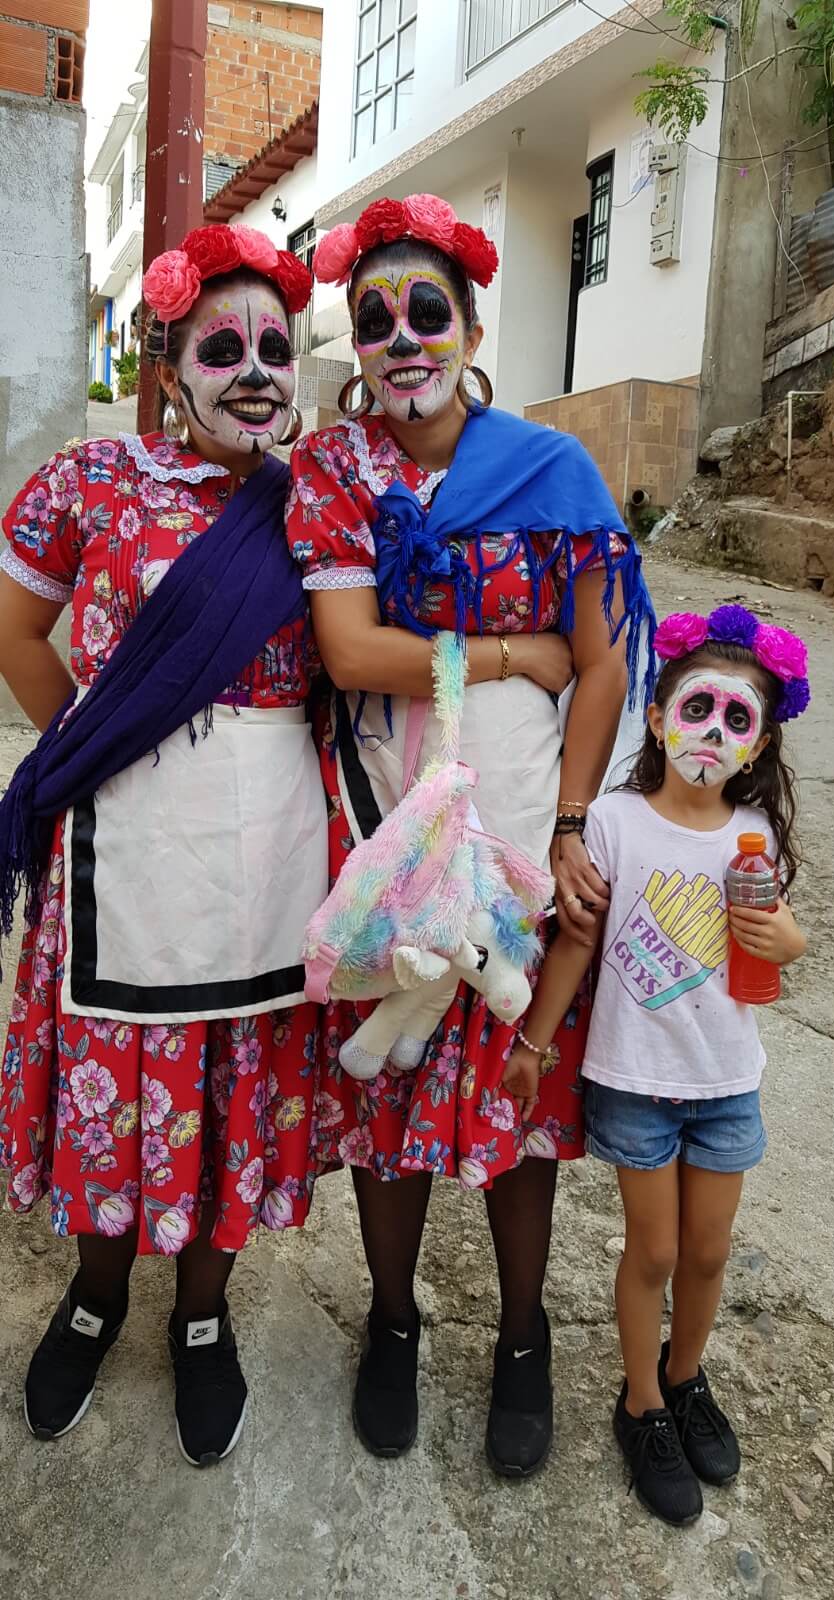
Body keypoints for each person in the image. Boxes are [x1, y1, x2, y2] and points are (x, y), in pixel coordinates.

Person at [288, 193, 654, 1477]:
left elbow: (599, 663)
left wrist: (573, 826)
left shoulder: (553, 473)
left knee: (520, 1097)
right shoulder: (335, 474)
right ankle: (393, 1322)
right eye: (374, 316)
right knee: (383, 1095)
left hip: (520, 834)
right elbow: (349, 652)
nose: (401, 338)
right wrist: (508, 652)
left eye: (426, 310)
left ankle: (521, 1337)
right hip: (384, 831)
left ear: (473, 327)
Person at [0, 224, 326, 1467]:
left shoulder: (318, 504)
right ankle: (95, 1295)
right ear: (170, 368)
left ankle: (201, 1315)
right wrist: (87, 753)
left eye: (274, 349)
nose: (254, 371)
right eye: (222, 348)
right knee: (114, 1079)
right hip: (124, 859)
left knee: (233, 1084)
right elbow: (16, 630)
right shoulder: (93, 484)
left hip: (265, 866)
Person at [503, 604, 809, 1522]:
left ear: (758, 747)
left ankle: (685, 1378)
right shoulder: (613, 823)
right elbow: (576, 943)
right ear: (658, 716)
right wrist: (532, 1044)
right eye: (697, 709)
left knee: (709, 1252)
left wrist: (788, 939)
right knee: (657, 1250)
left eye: (736, 719)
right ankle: (640, 1403)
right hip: (636, 1081)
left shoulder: (752, 838)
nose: (712, 733)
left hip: (726, 1082)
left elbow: (777, 941)